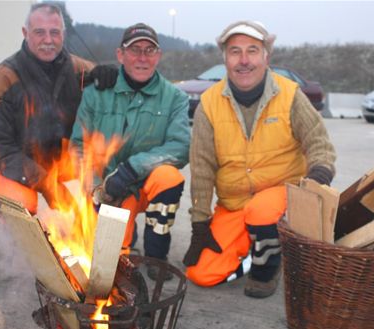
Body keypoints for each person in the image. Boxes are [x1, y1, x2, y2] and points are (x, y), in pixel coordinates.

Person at [183, 21, 336, 298]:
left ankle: (269, 265)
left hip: (281, 199)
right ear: (225, 59)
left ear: (266, 56)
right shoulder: (209, 103)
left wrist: (315, 181)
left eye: (252, 51)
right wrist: (199, 222)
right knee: (201, 274)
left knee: (262, 210)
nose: (244, 60)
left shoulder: (290, 95)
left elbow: (319, 144)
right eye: (235, 51)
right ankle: (258, 250)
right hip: (235, 204)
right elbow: (202, 167)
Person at [70, 23, 190, 280]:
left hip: (144, 185)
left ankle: (156, 254)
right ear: (120, 54)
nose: (142, 58)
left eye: (149, 50)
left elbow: (180, 147)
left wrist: (132, 168)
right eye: (135, 50)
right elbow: (78, 147)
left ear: (158, 56)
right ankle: (125, 237)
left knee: (170, 177)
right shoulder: (95, 93)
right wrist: (94, 190)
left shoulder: (175, 98)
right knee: (110, 261)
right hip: (108, 191)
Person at [0, 3, 117, 215]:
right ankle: (18, 243)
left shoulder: (79, 69)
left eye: (54, 32)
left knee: (94, 194)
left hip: (65, 162)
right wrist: (48, 185)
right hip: (21, 165)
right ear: (25, 33)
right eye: (39, 32)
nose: (48, 40)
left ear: (63, 34)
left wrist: (111, 74)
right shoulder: (1, 82)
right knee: (17, 202)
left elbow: (122, 87)